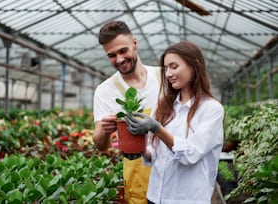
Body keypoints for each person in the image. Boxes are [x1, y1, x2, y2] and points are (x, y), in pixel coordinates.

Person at [125, 41, 224, 204]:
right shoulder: (163, 105)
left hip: (187, 199)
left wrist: (157, 128)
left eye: (174, 66)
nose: (168, 74)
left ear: (194, 65)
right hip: (155, 196)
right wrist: (141, 150)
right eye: (166, 69)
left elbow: (191, 154)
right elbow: (155, 150)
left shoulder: (211, 110)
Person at [92, 21, 161, 203]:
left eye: (123, 51)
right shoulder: (105, 91)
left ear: (135, 43)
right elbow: (101, 145)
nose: (119, 59)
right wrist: (104, 130)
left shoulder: (164, 78)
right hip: (138, 181)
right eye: (112, 55)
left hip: (173, 176)